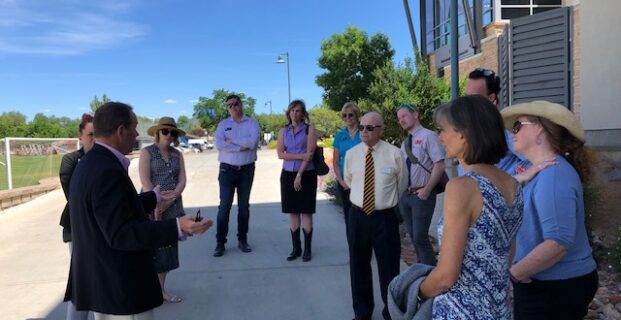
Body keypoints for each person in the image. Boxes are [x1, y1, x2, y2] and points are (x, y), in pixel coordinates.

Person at [64, 102, 213, 319]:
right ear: (120, 131)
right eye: (134, 128)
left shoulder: (91, 163)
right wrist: (177, 227)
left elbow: (113, 207)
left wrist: (152, 197)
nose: (136, 134)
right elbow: (121, 233)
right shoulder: (106, 170)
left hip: (104, 282)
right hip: (119, 289)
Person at [416, 95, 523, 319]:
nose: (440, 138)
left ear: (463, 134)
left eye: (443, 130)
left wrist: (417, 291)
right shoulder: (513, 184)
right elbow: (507, 255)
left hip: (462, 312)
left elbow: (446, 276)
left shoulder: (462, 187)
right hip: (499, 309)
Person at [503, 101, 598, 320]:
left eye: (517, 126)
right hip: (546, 282)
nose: (512, 133)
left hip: (557, 286)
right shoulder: (536, 170)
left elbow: (557, 244)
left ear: (539, 129)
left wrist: (514, 274)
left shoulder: (553, 174)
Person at [344, 112, 408, 320]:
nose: (363, 131)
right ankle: (362, 313)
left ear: (381, 129)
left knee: (389, 268)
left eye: (370, 128)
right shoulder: (352, 154)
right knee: (358, 266)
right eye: (362, 127)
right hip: (358, 216)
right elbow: (350, 180)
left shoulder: (395, 154)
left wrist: (383, 202)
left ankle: (390, 312)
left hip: (384, 218)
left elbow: (401, 185)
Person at [139, 117, 187, 303]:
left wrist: (172, 197)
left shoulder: (177, 154)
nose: (169, 135)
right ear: (157, 133)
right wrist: (157, 202)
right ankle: (146, 288)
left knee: (166, 249)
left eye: (172, 132)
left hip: (173, 206)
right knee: (150, 248)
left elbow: (182, 179)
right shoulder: (147, 152)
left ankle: (160, 290)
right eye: (165, 131)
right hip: (151, 206)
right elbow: (145, 180)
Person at [396, 103, 445, 266]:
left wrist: (427, 189)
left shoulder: (428, 136)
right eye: (399, 118)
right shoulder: (404, 143)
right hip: (406, 195)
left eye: (404, 116)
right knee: (413, 236)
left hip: (422, 194)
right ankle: (420, 270)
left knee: (420, 237)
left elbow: (439, 164)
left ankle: (430, 272)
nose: (401, 120)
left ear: (415, 114)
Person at [213, 94, 260, 257]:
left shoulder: (252, 123)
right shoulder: (223, 124)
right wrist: (241, 146)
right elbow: (219, 144)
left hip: (246, 170)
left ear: (241, 104)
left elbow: (253, 143)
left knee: (244, 207)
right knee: (224, 207)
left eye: (235, 104)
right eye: (229, 105)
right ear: (227, 108)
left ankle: (242, 240)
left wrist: (231, 141)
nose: (233, 107)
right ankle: (220, 243)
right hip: (227, 170)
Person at [59, 113, 94, 320]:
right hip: (79, 227)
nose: (94, 138)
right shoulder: (71, 160)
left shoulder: (110, 159)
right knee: (82, 277)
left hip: (106, 227)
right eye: (90, 134)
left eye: (98, 134)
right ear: (80, 137)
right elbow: (74, 196)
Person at [277, 99, 318, 262]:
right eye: (293, 110)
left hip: (306, 174)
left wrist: (299, 175)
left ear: (303, 114)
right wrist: (299, 156)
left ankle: (307, 250)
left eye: (299, 111)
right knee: (293, 211)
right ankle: (296, 248)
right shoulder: (283, 131)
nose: (295, 113)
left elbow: (309, 155)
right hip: (287, 174)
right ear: (289, 113)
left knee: (306, 211)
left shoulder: (309, 130)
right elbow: (280, 154)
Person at [464, 68, 523, 173]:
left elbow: (533, 160)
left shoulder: (506, 128)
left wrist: (514, 179)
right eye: (465, 97)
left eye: (473, 97)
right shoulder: (469, 126)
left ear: (491, 98)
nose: (466, 103)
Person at [332, 101, 362, 242]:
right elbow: (336, 162)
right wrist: (340, 180)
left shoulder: (364, 132)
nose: (348, 118)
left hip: (363, 182)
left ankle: (366, 248)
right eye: (344, 115)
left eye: (351, 115)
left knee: (364, 216)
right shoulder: (340, 136)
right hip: (345, 183)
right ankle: (353, 250)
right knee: (349, 217)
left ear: (356, 116)